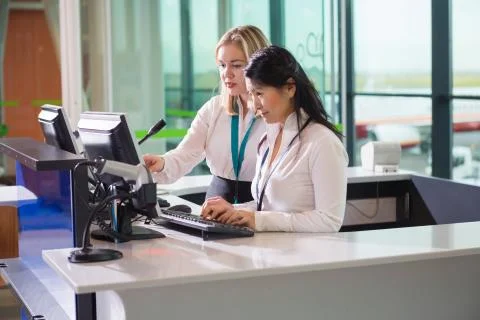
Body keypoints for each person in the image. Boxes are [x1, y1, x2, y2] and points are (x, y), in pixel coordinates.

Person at [201, 45, 348, 232]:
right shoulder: (267, 139)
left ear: (290, 88)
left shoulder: (322, 142)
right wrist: (234, 210)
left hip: (306, 258)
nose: (254, 105)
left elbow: (329, 221)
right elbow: (269, 207)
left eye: (260, 94)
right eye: (251, 94)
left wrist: (257, 220)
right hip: (271, 254)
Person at [143, 25, 270, 203]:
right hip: (215, 206)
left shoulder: (275, 114)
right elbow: (186, 154)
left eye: (236, 65)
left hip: (259, 207)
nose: (227, 73)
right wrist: (162, 163)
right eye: (222, 65)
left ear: (258, 65)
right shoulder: (214, 108)